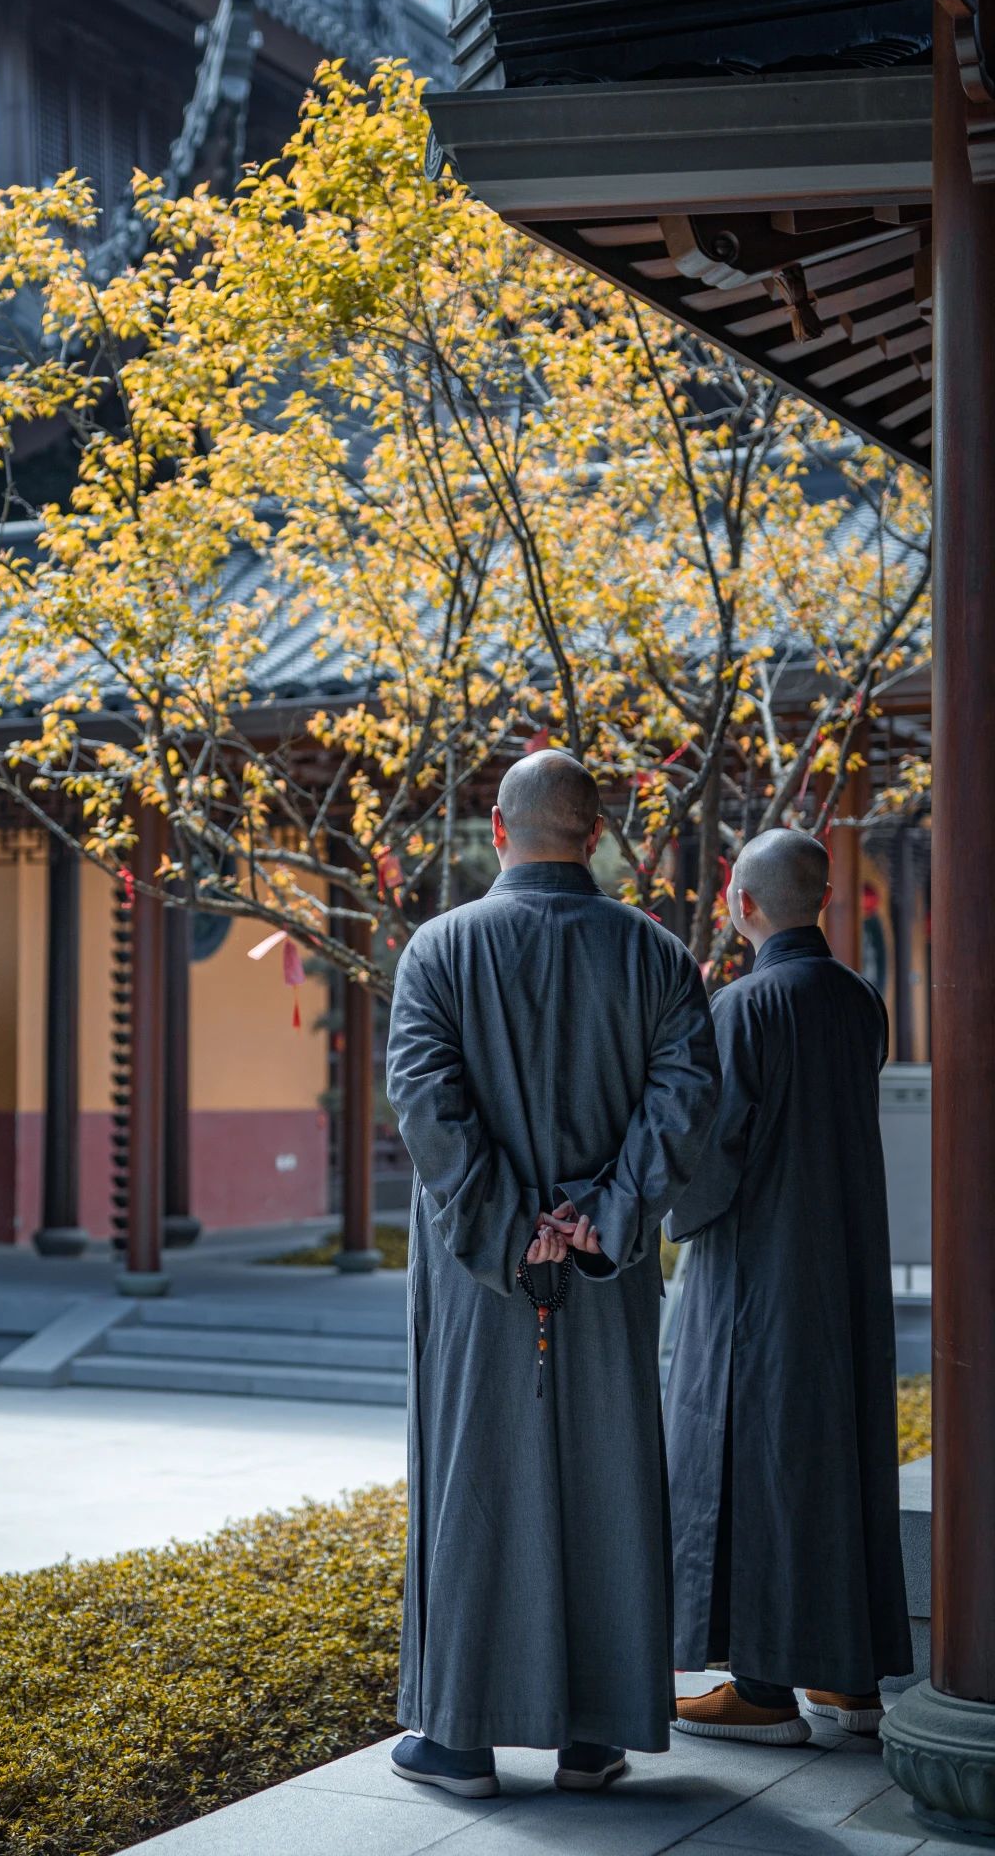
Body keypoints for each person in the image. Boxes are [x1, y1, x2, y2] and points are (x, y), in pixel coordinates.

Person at [384, 749, 720, 1798]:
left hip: (478, 1274)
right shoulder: (656, 957)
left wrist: (502, 1221)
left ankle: (460, 1741)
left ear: (496, 826)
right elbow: (685, 1098)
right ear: (595, 835)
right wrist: (605, 1213)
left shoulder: (436, 951)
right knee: (608, 1472)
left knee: (472, 1473)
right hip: (602, 1266)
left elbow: (424, 1103)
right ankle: (596, 1735)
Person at [665, 828, 912, 1746]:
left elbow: (710, 1153)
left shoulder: (743, 1006)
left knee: (756, 1462)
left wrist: (665, 1214)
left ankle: (764, 1689)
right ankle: (849, 1683)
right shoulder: (862, 1003)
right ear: (827, 900)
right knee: (834, 1456)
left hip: (758, 1276)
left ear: (744, 904)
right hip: (844, 1268)